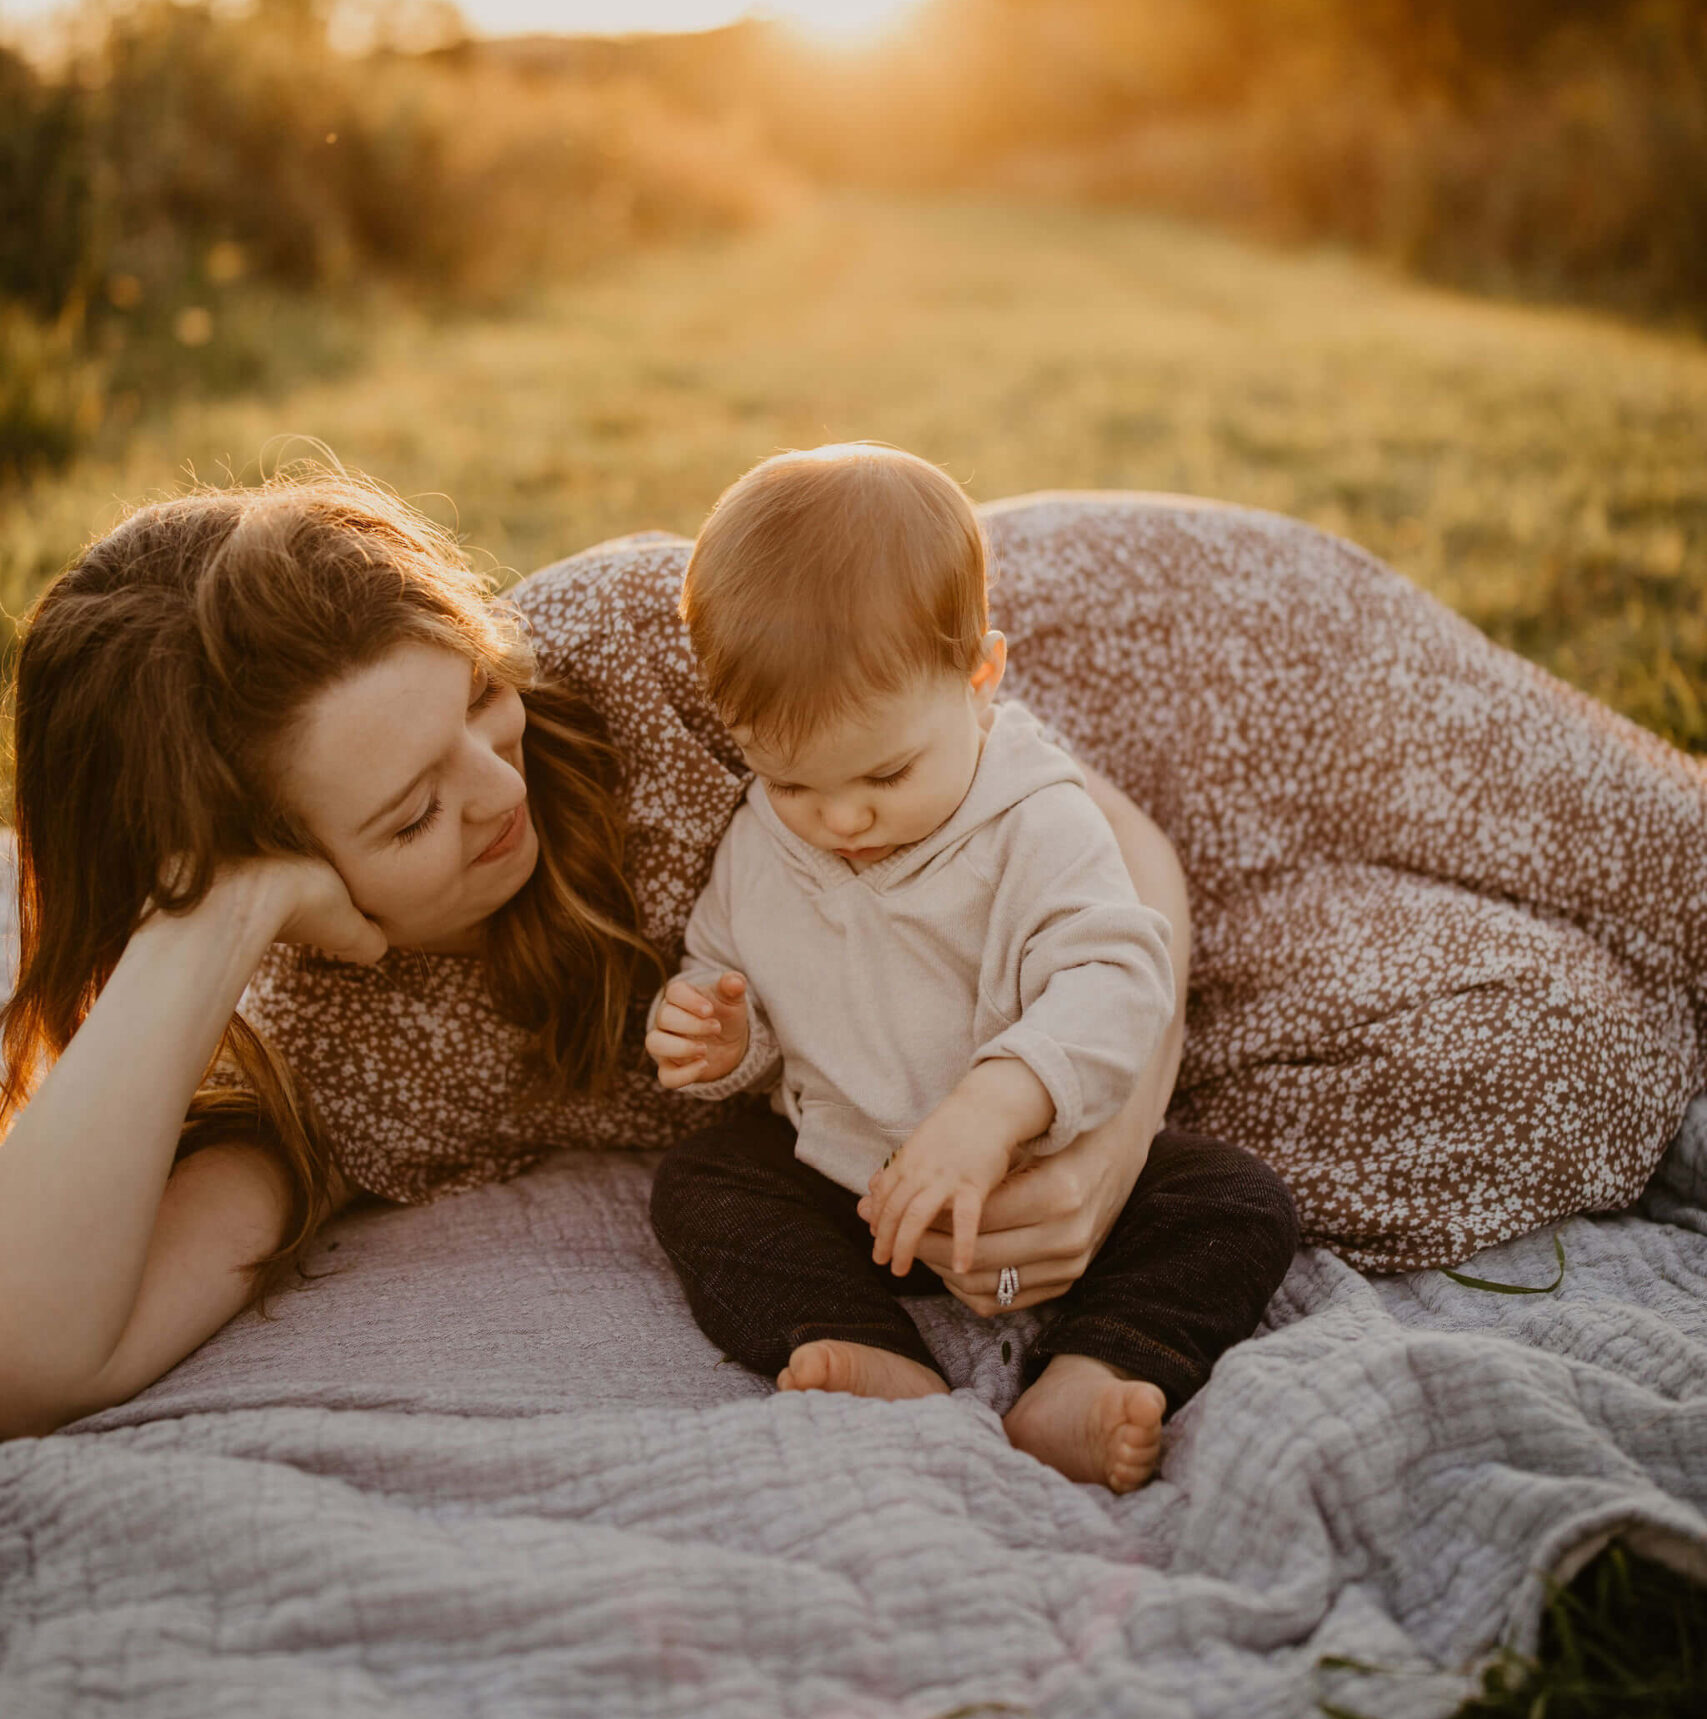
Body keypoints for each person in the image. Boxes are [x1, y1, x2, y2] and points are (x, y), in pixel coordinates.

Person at [1, 465, 1701, 1441]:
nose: (494, 786)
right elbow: (33, 1356)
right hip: (1008, 1001)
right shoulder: (321, 1058)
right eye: (404, 816)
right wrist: (198, 932)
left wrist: (1100, 1154)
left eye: (471, 698)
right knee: (1564, 1062)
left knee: (1661, 859)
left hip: (1151, 701)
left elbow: (1109, 848)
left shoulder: (620, 653)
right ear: (255, 866)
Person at [644, 447, 1299, 1492]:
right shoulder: (764, 837)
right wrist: (724, 1039)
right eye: (793, 779)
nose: (843, 817)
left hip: (1042, 1191)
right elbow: (728, 974)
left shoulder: (1034, 818)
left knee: (1235, 1204)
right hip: (857, 1190)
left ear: (980, 677)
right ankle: (871, 1351)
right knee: (702, 1185)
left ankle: (1093, 1368)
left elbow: (1120, 973)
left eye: (886, 772)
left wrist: (999, 1104)